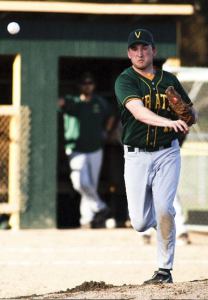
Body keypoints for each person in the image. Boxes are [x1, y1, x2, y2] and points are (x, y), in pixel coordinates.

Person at [115, 29, 197, 284]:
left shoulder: (168, 79)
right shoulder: (125, 80)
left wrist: (188, 114)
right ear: (129, 54)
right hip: (136, 156)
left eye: (145, 47)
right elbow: (139, 112)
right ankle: (165, 225)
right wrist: (169, 122)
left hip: (167, 153)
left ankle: (164, 270)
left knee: (165, 209)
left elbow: (192, 113)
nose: (140, 53)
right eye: (135, 48)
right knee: (139, 222)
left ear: (154, 51)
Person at [59, 72, 111, 228]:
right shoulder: (72, 101)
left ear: (94, 85)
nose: (87, 85)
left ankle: (86, 219)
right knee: (80, 182)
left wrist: (106, 131)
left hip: (95, 148)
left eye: (90, 83)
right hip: (76, 149)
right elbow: (59, 103)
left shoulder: (99, 102)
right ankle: (100, 207)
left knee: (91, 185)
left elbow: (111, 114)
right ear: (79, 85)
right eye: (84, 83)